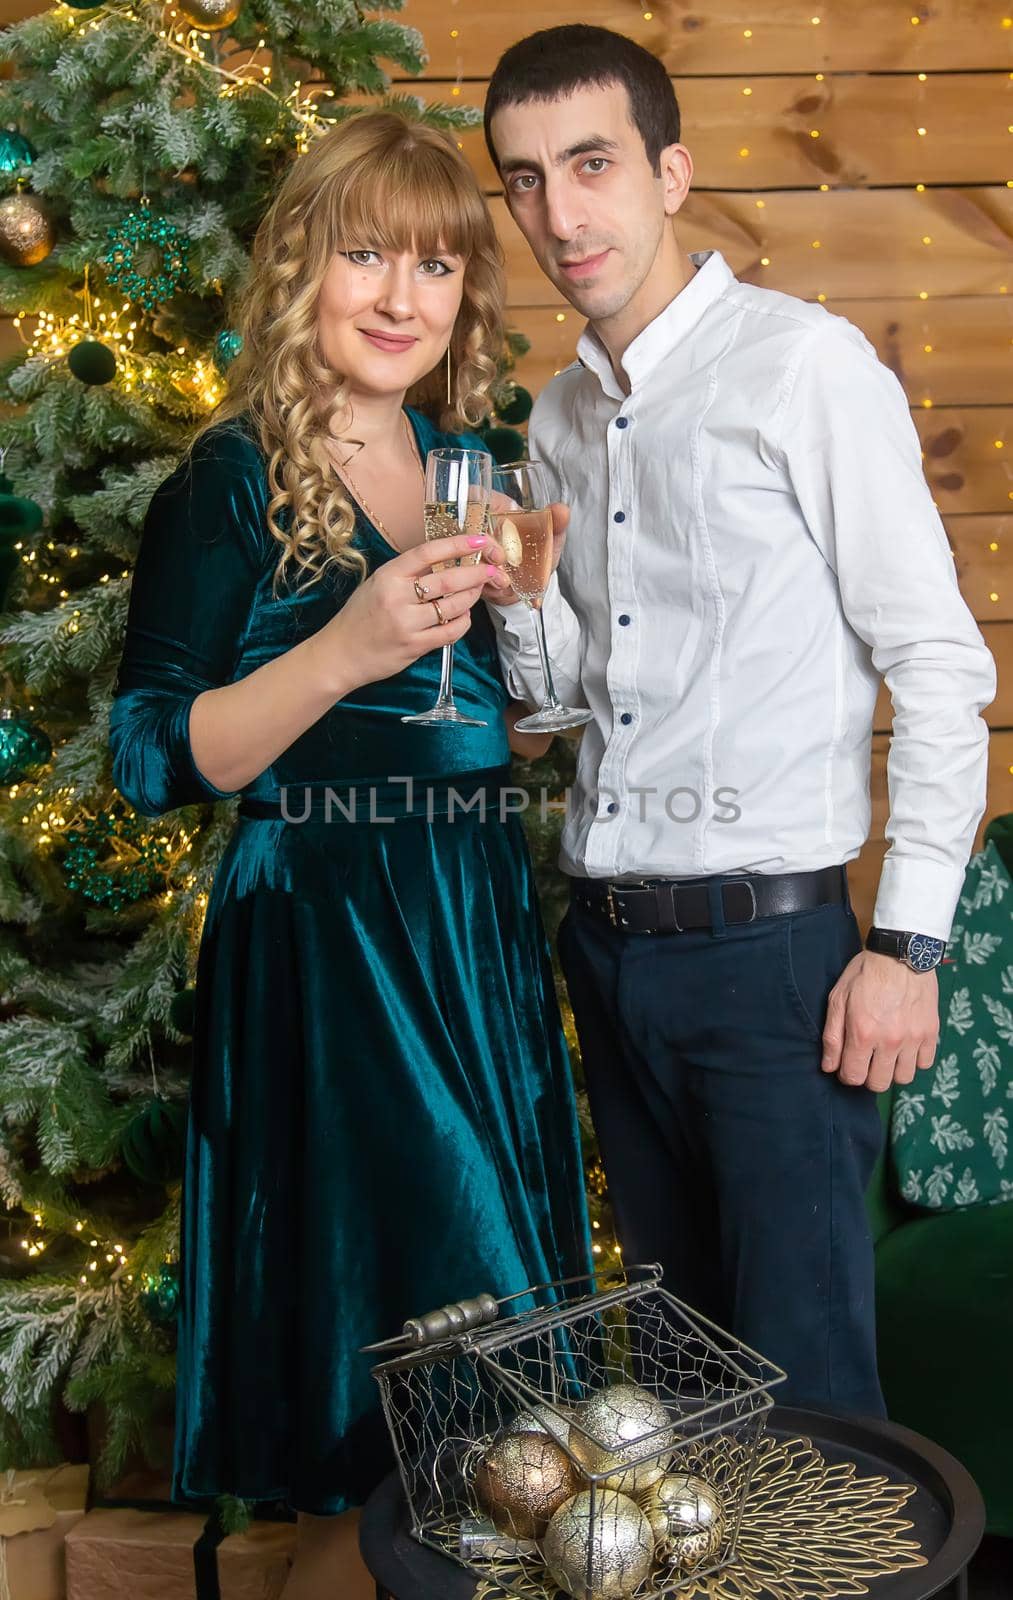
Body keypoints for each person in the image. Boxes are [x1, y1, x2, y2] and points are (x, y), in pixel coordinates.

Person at [108, 110, 591, 1596]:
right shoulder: (230, 481)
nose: (399, 297)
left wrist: (521, 658)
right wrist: (342, 644)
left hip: (468, 919)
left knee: (505, 1404)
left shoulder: (466, 461)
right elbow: (149, 759)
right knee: (398, 1385)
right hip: (328, 939)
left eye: (435, 266)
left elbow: (478, 730)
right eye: (364, 254)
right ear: (298, 267)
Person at [482, 25, 995, 1417]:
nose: (559, 212)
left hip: (776, 971)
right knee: (683, 1402)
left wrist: (902, 945)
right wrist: (519, 600)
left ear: (669, 172)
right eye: (523, 180)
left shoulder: (804, 369)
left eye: (590, 165)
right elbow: (558, 708)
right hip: (606, 952)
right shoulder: (557, 418)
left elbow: (939, 665)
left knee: (813, 1409)